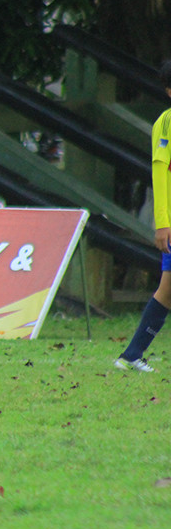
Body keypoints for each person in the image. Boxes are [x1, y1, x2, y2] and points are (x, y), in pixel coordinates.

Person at [115, 59, 171, 372]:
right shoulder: (166, 122)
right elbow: (160, 171)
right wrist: (163, 223)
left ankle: (132, 355)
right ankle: (131, 355)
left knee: (167, 291)